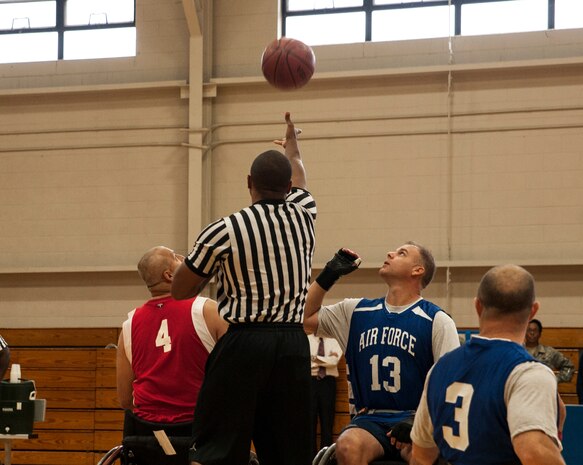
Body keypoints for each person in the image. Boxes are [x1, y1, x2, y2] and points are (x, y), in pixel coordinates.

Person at [171, 112, 316, 465]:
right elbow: (297, 168)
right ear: (288, 188)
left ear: (248, 181)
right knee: (289, 451)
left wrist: (195, 269)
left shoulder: (223, 230)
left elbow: (180, 291)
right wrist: (292, 142)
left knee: (218, 449)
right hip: (293, 346)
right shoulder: (305, 212)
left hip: (244, 343)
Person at [303, 242, 460, 465]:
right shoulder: (356, 311)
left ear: (418, 270)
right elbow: (304, 318)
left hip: (416, 419)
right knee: (347, 446)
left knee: (426, 456)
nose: (390, 253)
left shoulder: (437, 320)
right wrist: (329, 275)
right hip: (369, 419)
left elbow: (449, 383)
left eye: (401, 253)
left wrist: (420, 422)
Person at [410, 264, 565, 465]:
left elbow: (421, 455)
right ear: (533, 310)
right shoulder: (530, 373)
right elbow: (534, 451)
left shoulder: (439, 369)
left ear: (478, 306)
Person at [116, 246, 228, 425]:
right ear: (169, 276)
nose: (183, 258)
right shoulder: (209, 310)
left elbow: (124, 400)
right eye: (176, 257)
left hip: (149, 435)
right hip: (203, 430)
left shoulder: (128, 326)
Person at [308, 333, 342, 455]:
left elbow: (334, 362)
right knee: (310, 423)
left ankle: (326, 458)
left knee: (327, 423)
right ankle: (310, 459)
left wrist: (313, 358)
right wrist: (325, 360)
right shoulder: (307, 339)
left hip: (328, 383)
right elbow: (304, 362)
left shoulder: (335, 339)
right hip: (310, 382)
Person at [525, 318, 575, 384]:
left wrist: (555, 380)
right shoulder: (517, 351)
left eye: (535, 330)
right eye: (529, 330)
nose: (532, 333)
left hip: (544, 389)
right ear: (524, 332)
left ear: (540, 334)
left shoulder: (549, 352)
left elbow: (569, 366)